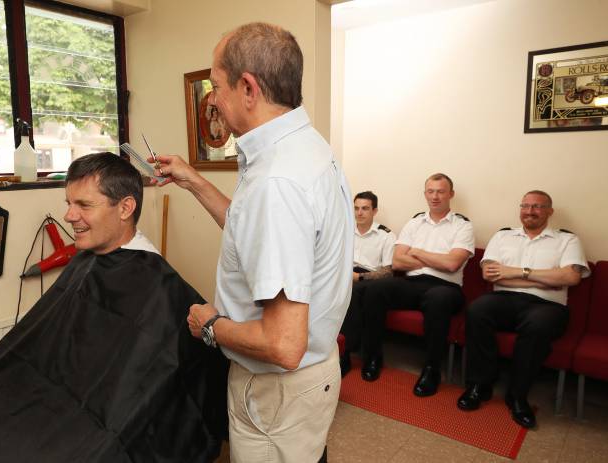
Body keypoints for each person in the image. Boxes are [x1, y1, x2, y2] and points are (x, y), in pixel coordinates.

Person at [0, 152, 228, 463]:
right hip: (36, 411)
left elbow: (174, 382)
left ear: (126, 207)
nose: (69, 216)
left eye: (84, 205)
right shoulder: (86, 260)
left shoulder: (158, 286)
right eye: (69, 203)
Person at [152, 22, 353, 463]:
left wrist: (209, 325)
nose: (212, 99)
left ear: (248, 88)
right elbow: (258, 235)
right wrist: (194, 182)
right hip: (311, 380)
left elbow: (283, 345)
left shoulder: (276, 182)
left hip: (279, 389)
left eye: (216, 85)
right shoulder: (305, 148)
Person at [457, 190, 589, 428]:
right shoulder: (503, 236)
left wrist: (518, 272)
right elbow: (491, 275)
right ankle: (480, 384)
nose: (530, 211)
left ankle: (517, 395)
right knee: (477, 310)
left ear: (550, 211)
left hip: (547, 305)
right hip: (504, 299)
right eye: (525, 206)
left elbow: (570, 277)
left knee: (537, 325)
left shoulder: (568, 240)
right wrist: (547, 277)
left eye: (537, 207)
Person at [360, 173, 474, 397]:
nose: (435, 196)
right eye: (430, 191)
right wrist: (437, 258)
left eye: (440, 191)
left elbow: (452, 264)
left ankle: (432, 369)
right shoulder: (415, 222)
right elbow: (397, 261)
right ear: (425, 194)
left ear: (451, 194)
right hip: (413, 282)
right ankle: (373, 356)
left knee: (437, 299)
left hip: (446, 287)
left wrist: (418, 252)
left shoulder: (463, 226)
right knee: (375, 289)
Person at [339, 191, 396, 377]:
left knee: (354, 293)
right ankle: (340, 352)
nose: (359, 213)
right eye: (356, 208)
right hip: (345, 274)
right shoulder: (345, 230)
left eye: (365, 208)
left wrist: (360, 278)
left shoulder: (386, 235)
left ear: (375, 210)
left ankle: (357, 354)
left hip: (371, 280)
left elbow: (388, 272)